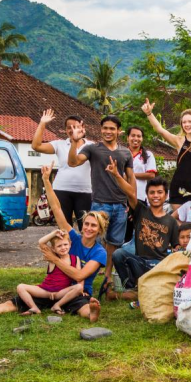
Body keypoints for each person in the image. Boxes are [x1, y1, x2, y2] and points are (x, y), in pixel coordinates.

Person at [0, 164, 105, 322]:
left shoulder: (99, 252)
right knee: (11, 304)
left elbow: (79, 275)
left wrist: (54, 259)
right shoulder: (73, 238)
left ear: (99, 230)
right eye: (87, 224)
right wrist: (47, 181)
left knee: (82, 307)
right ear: (83, 225)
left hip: (75, 292)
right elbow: (56, 208)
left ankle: (92, 313)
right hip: (52, 289)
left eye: (93, 226)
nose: (89, 228)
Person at [67, 115, 134, 284]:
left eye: (112, 128)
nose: (108, 131)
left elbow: (131, 179)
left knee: (113, 243)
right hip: (99, 204)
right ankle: (82, 274)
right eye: (105, 128)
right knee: (90, 240)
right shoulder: (93, 149)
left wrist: (131, 202)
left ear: (119, 131)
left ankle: (107, 276)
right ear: (100, 129)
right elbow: (73, 162)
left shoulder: (126, 152)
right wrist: (75, 142)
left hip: (120, 205)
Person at [106, 162, 179, 295]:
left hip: (158, 265)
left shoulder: (171, 221)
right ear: (147, 195)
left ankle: (144, 287)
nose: (155, 196)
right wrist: (117, 175)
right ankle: (130, 288)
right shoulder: (141, 211)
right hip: (139, 262)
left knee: (155, 267)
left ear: (166, 195)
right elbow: (131, 194)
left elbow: (176, 247)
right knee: (118, 254)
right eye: (152, 193)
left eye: (159, 192)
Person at [142, 100, 191, 211]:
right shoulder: (179, 141)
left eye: (190, 121)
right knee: (179, 222)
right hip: (179, 187)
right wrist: (149, 114)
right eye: (184, 122)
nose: (187, 125)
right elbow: (160, 130)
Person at [31, 109, 92, 229]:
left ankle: (84, 248)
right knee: (64, 227)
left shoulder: (91, 146)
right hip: (61, 190)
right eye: (69, 127)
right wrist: (42, 123)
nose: (72, 130)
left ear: (83, 128)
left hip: (85, 191)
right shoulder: (59, 145)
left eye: (76, 126)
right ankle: (66, 248)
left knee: (86, 227)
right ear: (65, 130)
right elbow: (36, 146)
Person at [16, 229, 83, 315]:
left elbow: (79, 276)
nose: (63, 247)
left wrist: (82, 290)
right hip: (45, 290)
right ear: (53, 249)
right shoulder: (52, 257)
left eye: (65, 244)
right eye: (59, 246)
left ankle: (57, 305)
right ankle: (34, 308)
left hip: (61, 292)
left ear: (70, 244)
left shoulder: (75, 259)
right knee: (20, 287)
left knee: (79, 287)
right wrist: (54, 233)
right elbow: (41, 243)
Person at [127, 126, 157, 204]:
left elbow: (151, 175)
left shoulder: (148, 155)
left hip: (140, 196)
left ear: (142, 139)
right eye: (133, 135)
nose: (136, 138)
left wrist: (130, 175)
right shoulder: (121, 153)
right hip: (122, 196)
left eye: (139, 136)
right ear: (128, 138)